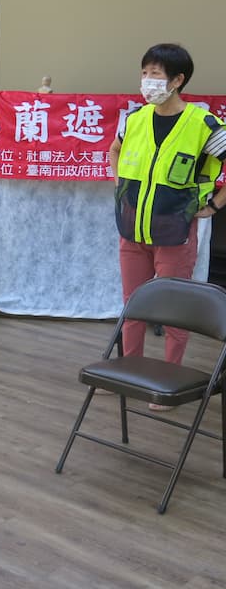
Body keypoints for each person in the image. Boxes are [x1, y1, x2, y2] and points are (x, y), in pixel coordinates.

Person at [110, 43, 226, 409]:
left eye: (156, 74)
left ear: (177, 80)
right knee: (133, 305)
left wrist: (214, 204)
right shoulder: (134, 119)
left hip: (174, 232)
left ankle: (169, 383)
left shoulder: (203, 124)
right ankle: (128, 372)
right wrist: (121, 187)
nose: (147, 81)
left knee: (175, 309)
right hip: (132, 229)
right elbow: (114, 150)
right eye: (144, 73)